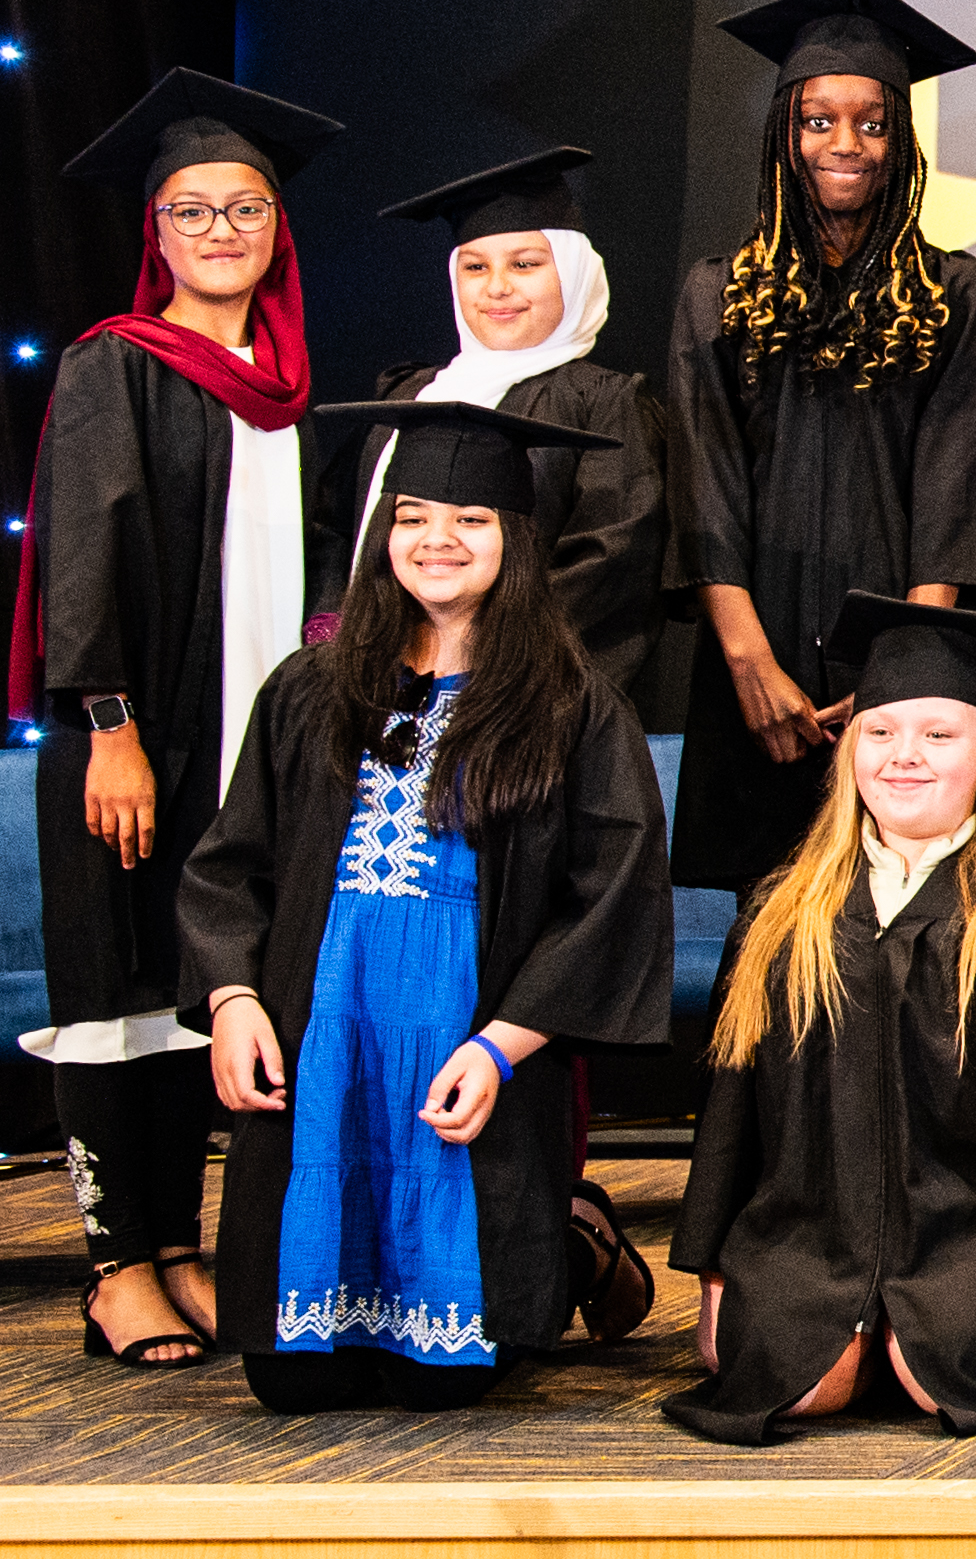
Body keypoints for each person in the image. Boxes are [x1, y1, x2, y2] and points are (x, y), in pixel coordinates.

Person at [180, 401, 672, 1412]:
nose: (436, 540)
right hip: (325, 1029)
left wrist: (500, 1046)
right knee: (293, 1383)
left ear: (518, 543)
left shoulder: (572, 706)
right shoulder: (311, 691)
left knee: (446, 1380)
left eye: (472, 520)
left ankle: (565, 1238)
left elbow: (610, 895)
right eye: (412, 516)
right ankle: (552, 1232)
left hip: (469, 1033)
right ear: (382, 534)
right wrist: (232, 999)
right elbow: (230, 863)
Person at [17, 68, 348, 1370]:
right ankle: (122, 1265)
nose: (221, 230)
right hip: (138, 738)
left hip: (250, 753)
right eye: (194, 210)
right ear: (155, 233)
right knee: (123, 991)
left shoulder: (288, 383)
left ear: (276, 229)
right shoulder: (119, 362)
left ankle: (190, 1241)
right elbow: (83, 554)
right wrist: (106, 725)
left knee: (216, 996)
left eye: (246, 208)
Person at [669, 596, 976, 1443]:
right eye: (878, 733)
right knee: (796, 1389)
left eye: (939, 735)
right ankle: (856, 1326)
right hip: (809, 1226)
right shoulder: (783, 907)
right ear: (847, 754)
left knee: (950, 1373)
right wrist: (711, 1271)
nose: (903, 756)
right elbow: (732, 1106)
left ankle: (900, 1332)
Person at [668, 0, 976, 892]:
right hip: (752, 650)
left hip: (894, 648)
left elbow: (949, 487)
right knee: (759, 918)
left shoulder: (951, 293)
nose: (844, 144)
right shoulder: (718, 291)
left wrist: (909, 677)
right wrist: (750, 665)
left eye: (871, 122)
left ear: (899, 142)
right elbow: (706, 485)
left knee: (896, 900)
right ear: (784, 133)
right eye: (819, 120)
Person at [354, 147, 671, 690]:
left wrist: (464, 666)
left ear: (572, 275)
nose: (496, 287)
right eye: (475, 267)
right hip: (381, 681)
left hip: (526, 696)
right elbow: (346, 534)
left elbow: (609, 566)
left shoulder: (607, 404)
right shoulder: (411, 396)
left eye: (524, 264)